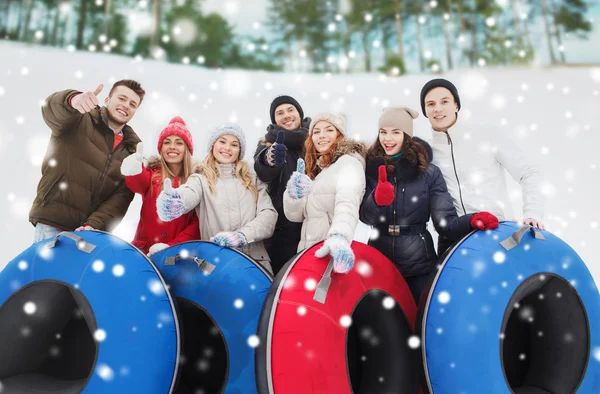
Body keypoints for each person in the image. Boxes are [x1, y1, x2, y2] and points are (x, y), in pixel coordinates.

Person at [359, 107, 498, 303]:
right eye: (383, 132)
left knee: (421, 322)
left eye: (395, 132)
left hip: (419, 265)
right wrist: (376, 200)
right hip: (379, 260)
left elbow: (445, 223)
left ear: (407, 136)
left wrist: (471, 220)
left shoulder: (428, 173)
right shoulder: (372, 167)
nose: (387, 139)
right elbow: (366, 217)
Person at [420, 78, 545, 255]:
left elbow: (528, 172)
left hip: (497, 233)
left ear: (456, 105)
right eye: (430, 104)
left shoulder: (487, 136)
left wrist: (533, 213)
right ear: (425, 111)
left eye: (444, 101)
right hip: (454, 242)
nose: (437, 109)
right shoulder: (426, 152)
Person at [30, 80, 145, 242]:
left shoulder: (131, 151)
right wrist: (72, 100)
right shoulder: (78, 119)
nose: (126, 105)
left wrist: (94, 225)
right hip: (53, 223)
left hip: (87, 234)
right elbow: (51, 109)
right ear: (107, 100)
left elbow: (120, 198)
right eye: (122, 98)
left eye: (133, 104)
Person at [156, 124, 277, 273]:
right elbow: (189, 192)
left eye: (234, 144)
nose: (227, 147)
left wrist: (242, 236)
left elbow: (269, 215)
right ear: (213, 145)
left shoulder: (253, 180)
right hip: (217, 265)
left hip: (256, 263)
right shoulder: (200, 179)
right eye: (222, 141)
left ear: (239, 151)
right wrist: (176, 201)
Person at [283, 113, 367, 274]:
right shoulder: (319, 171)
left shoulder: (348, 163)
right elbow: (295, 216)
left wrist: (339, 237)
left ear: (339, 135)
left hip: (333, 255)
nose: (322, 135)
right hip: (310, 254)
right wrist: (293, 194)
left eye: (329, 130)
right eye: (316, 131)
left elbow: (347, 204)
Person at [120, 116, 200, 255]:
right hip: (144, 253)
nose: (172, 147)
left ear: (187, 149)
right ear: (161, 148)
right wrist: (134, 170)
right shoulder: (152, 174)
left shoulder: (195, 182)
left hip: (178, 254)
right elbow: (138, 184)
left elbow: (196, 223)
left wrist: (172, 247)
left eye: (179, 143)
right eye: (167, 142)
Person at [253, 95, 311, 274]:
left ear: (299, 114)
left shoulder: (315, 140)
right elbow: (262, 169)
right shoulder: (268, 143)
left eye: (290, 110)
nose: (286, 115)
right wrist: (269, 158)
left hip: (314, 227)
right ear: (275, 120)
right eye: (280, 113)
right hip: (281, 233)